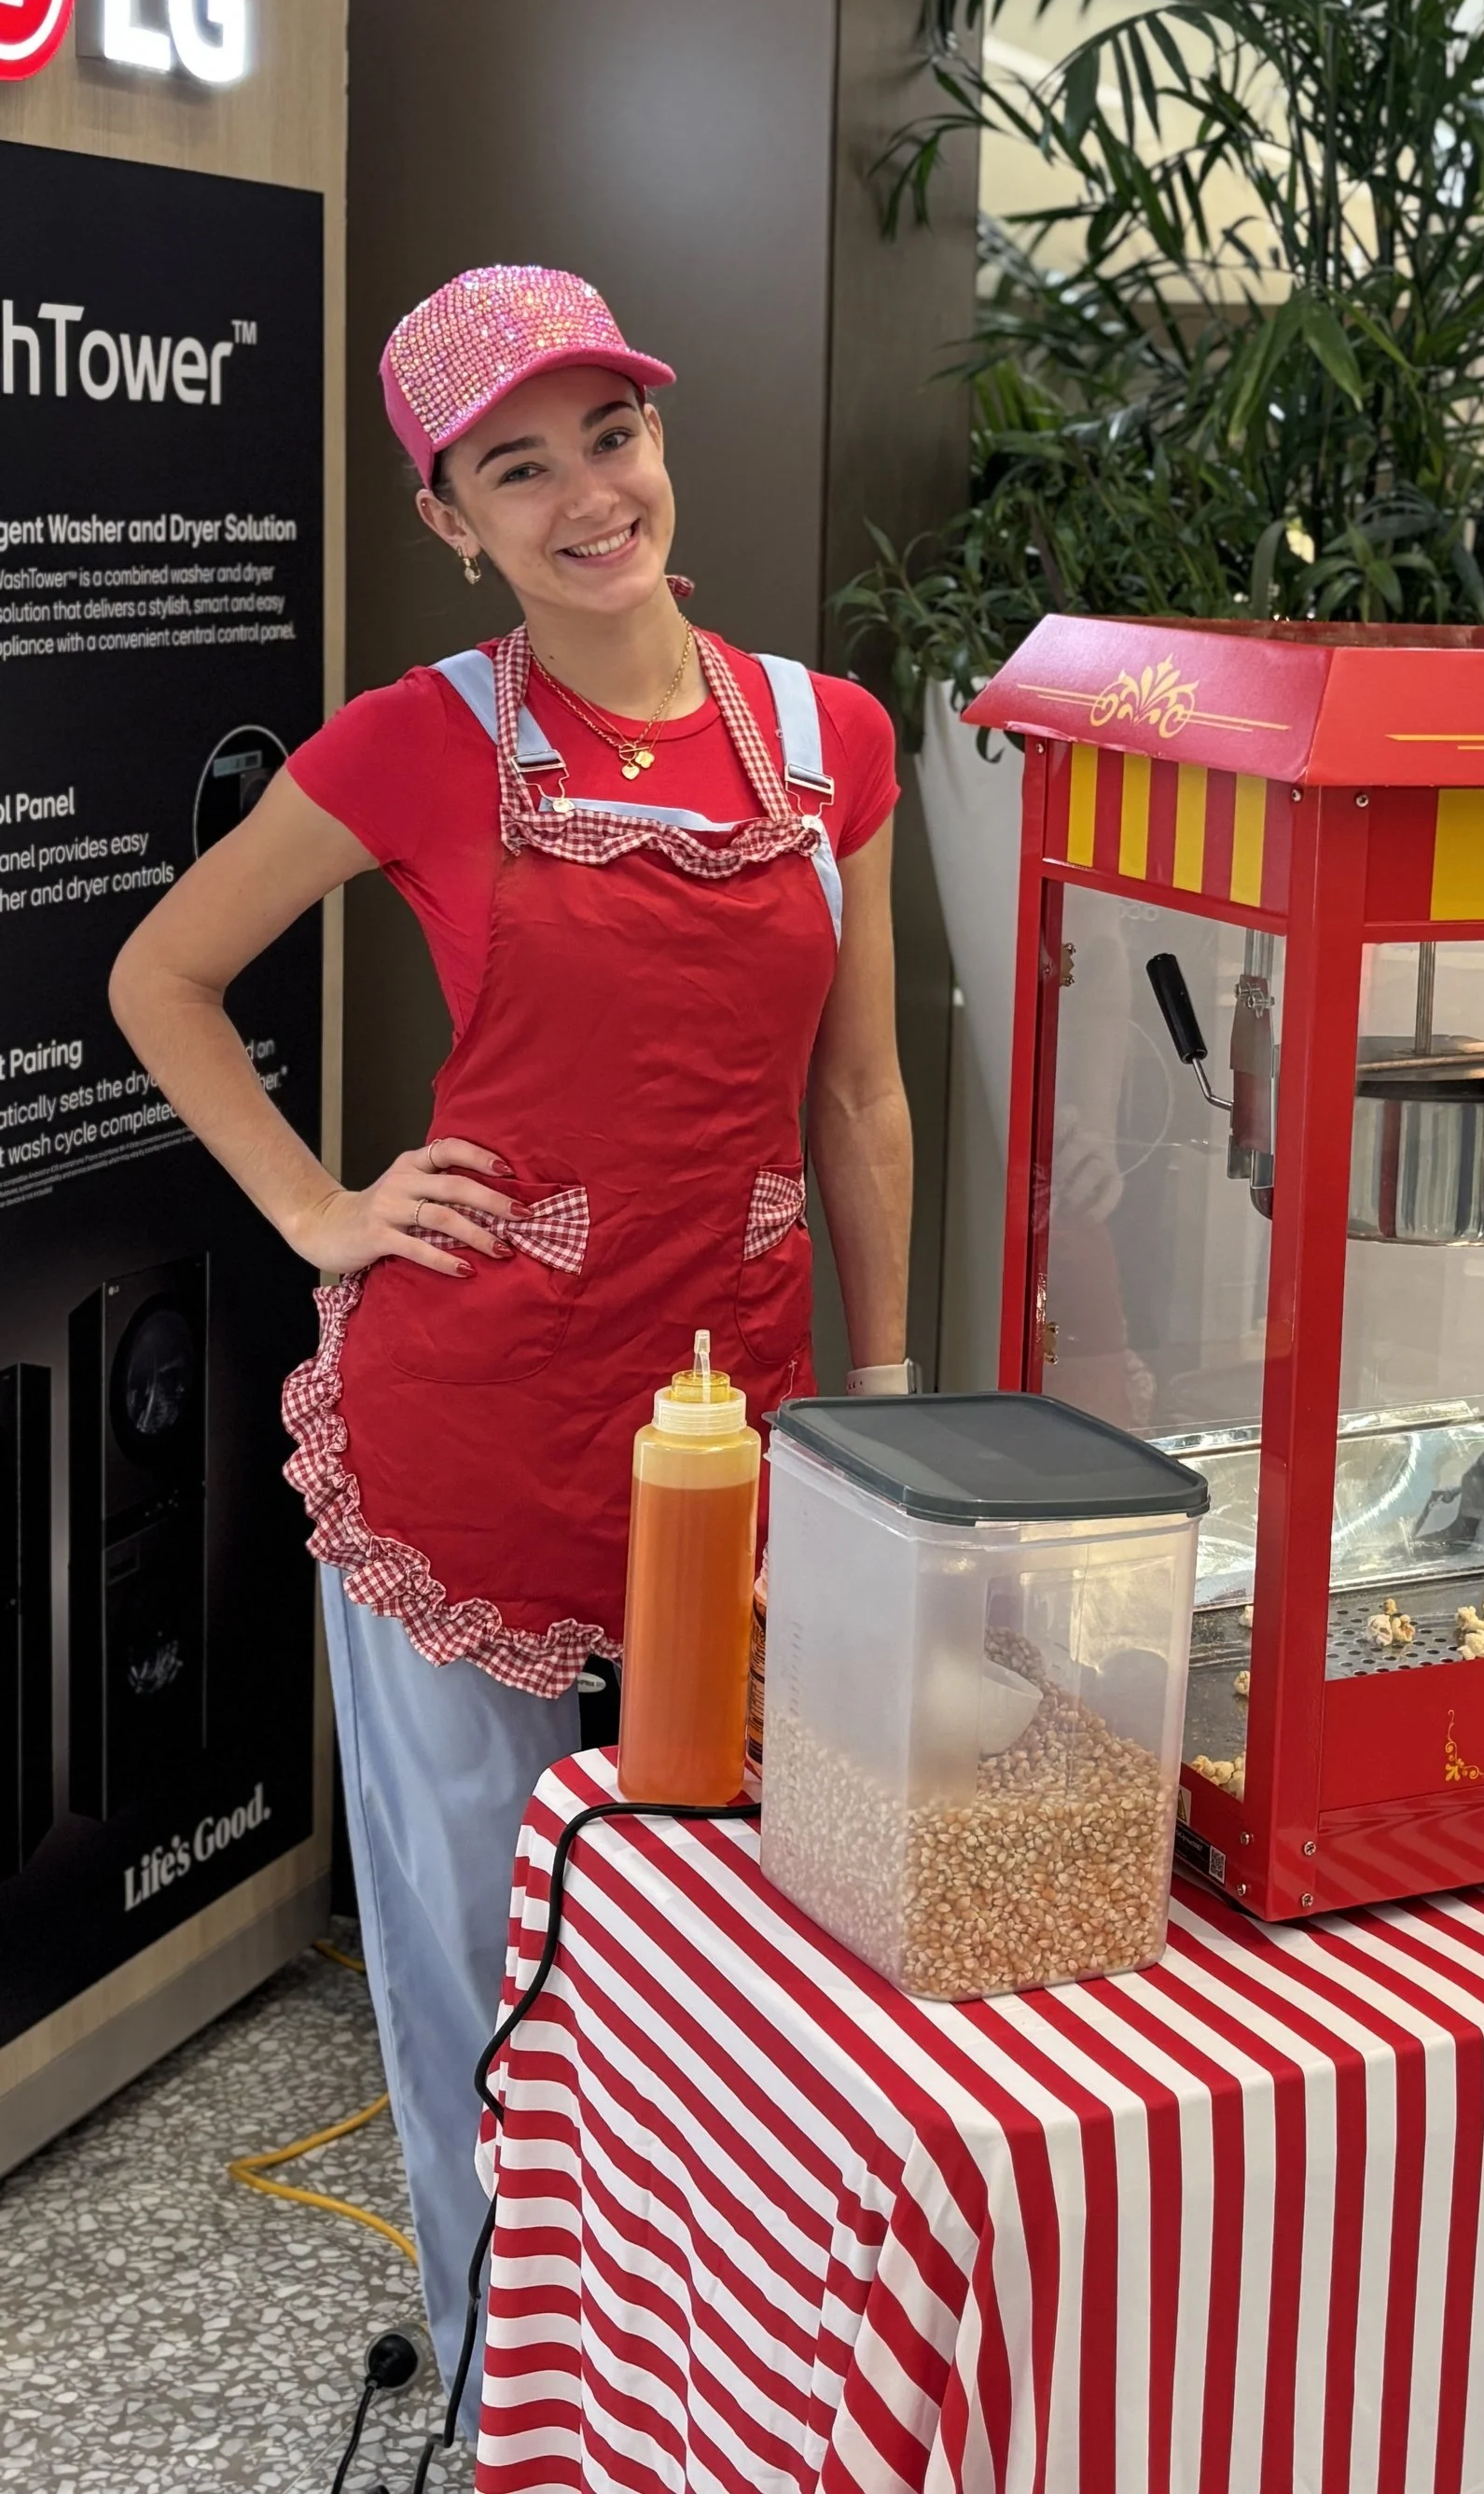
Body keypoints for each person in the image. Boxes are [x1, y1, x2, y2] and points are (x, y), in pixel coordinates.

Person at [108, 267, 912, 2414]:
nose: (586, 497)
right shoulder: (417, 741)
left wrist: (896, 1400)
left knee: (722, 1933)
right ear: (451, 514)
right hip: (465, 1432)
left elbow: (859, 1097)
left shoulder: (832, 738)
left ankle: (704, 2375)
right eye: (517, 466)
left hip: (737, 1426)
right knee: (476, 1955)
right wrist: (320, 1209)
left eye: (608, 437)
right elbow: (162, 977)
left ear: (663, 439)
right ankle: (500, 2392)